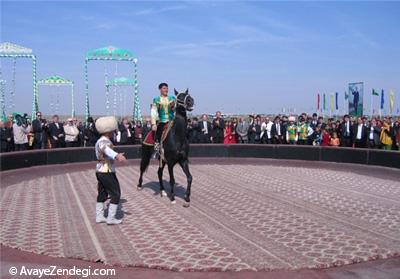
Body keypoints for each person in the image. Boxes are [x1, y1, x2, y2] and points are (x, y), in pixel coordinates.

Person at [94, 116, 126, 225]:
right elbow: (105, 150)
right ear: (108, 131)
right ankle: (111, 218)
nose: (114, 132)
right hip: (106, 171)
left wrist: (116, 155)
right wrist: (116, 156)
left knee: (102, 194)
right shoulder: (104, 141)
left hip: (100, 170)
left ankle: (99, 216)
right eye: (113, 131)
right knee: (116, 193)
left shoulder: (103, 140)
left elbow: (106, 152)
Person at [151, 83, 176, 155]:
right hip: (162, 121)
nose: (166, 90)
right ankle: (157, 148)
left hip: (172, 120)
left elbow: (175, 110)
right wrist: (153, 124)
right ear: (160, 89)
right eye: (164, 88)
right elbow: (153, 111)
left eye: (167, 88)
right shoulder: (156, 99)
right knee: (158, 132)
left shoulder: (172, 98)